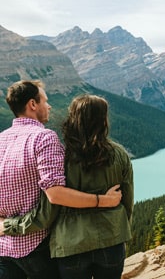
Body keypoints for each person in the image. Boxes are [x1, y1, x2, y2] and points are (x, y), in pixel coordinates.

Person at [1, 93, 134, 279]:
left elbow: (46, 213)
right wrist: (120, 230)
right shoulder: (119, 155)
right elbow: (127, 203)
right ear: (103, 121)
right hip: (112, 240)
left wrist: (8, 225)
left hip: (70, 247)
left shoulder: (59, 158)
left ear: (73, 120)